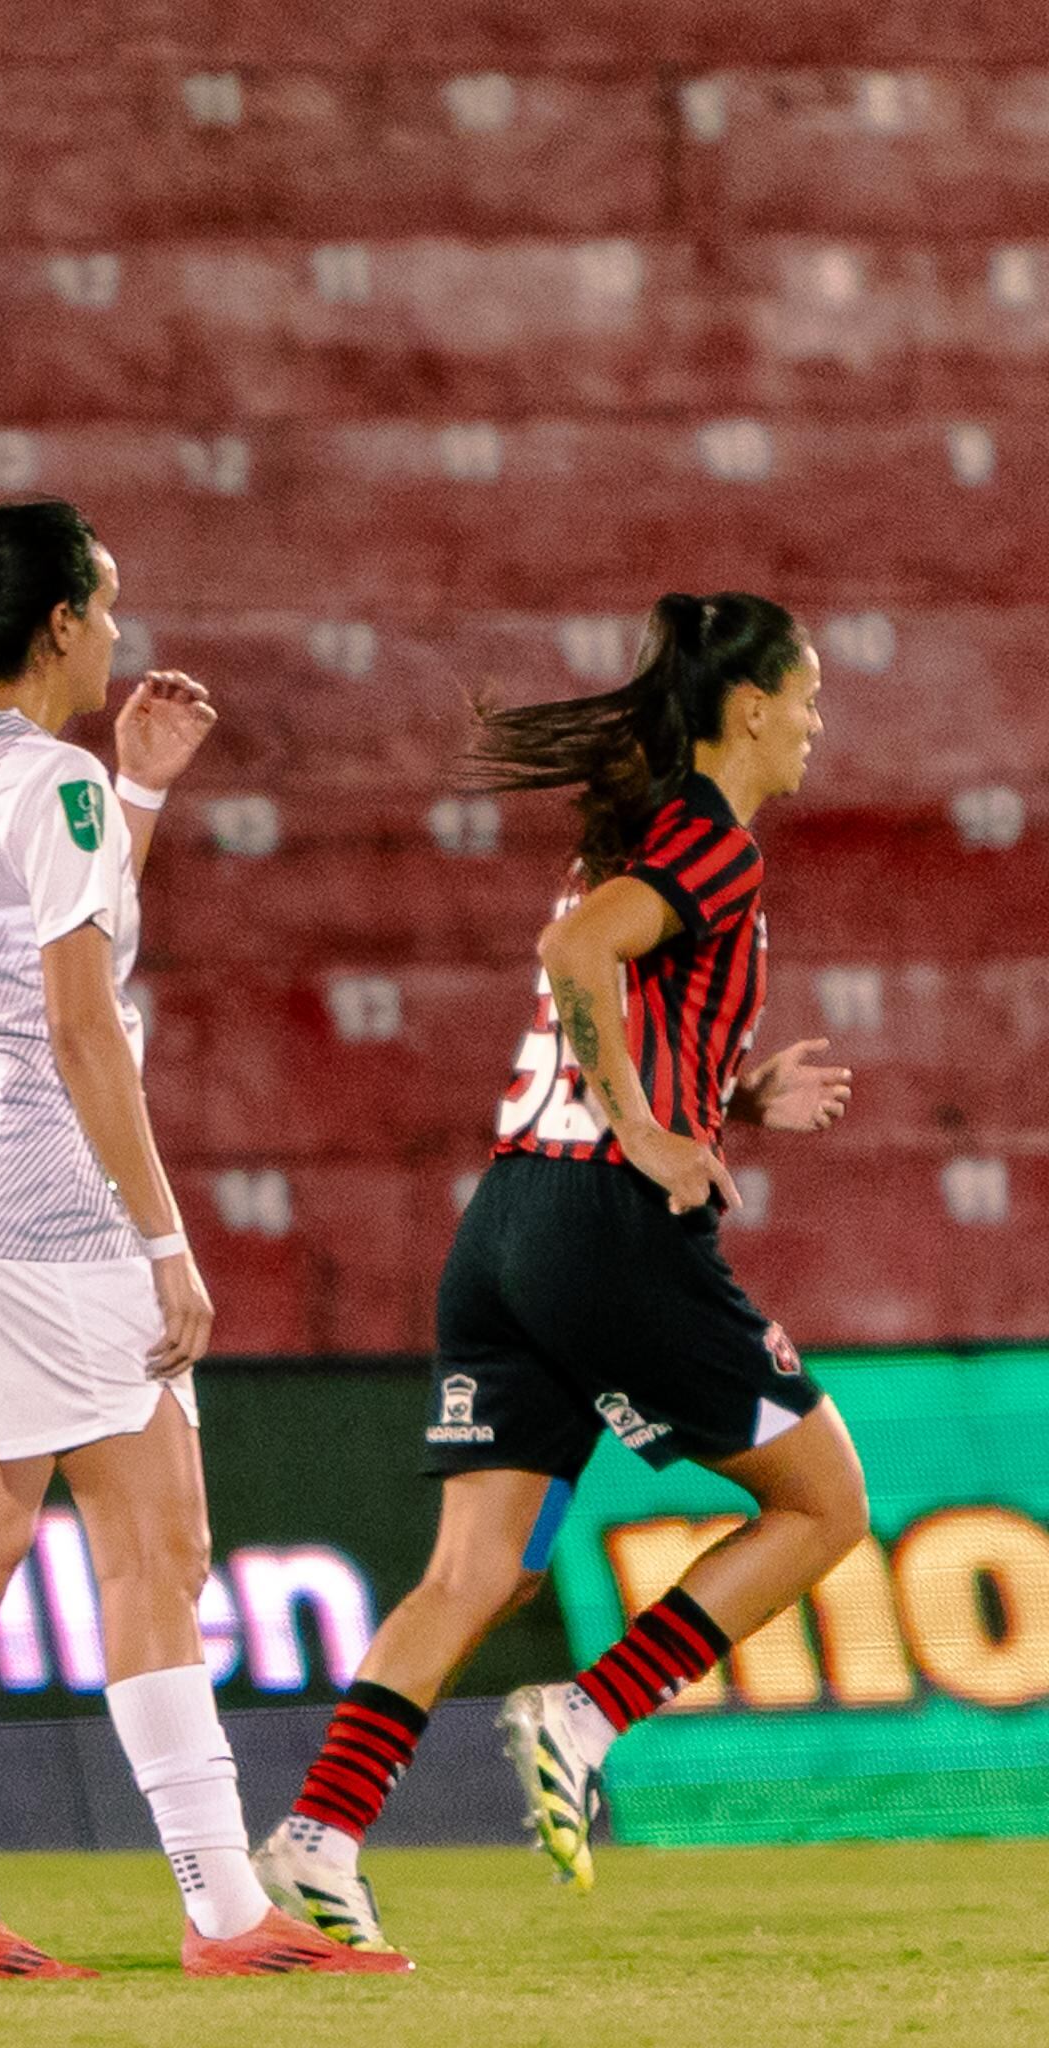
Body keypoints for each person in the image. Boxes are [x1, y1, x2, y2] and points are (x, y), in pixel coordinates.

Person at [256, 594, 857, 1960]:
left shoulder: (641, 834)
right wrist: (652, 1129)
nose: (820, 722)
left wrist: (727, 1101)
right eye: (808, 694)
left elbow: (619, 991)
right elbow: (576, 954)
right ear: (750, 704)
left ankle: (320, 1834)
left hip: (508, 1222)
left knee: (477, 1571)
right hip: (604, 1225)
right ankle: (584, 1716)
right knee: (826, 1504)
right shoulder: (707, 835)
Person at [0, 500, 397, 1981]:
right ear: (55, 626)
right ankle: (226, 1912)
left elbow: (52, 953)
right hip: (48, 1216)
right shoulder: (48, 784)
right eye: (104, 605)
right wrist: (167, 1243)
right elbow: (83, 1027)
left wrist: (142, 794)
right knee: (157, 1547)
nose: (117, 631)